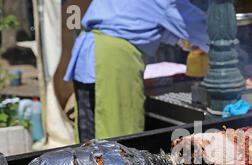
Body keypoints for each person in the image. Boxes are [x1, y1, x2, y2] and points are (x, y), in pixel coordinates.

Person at [64, 0, 208, 142]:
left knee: (88, 138)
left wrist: (182, 41)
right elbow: (205, 30)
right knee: (119, 141)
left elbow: (143, 21)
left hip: (87, 53)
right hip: (113, 59)